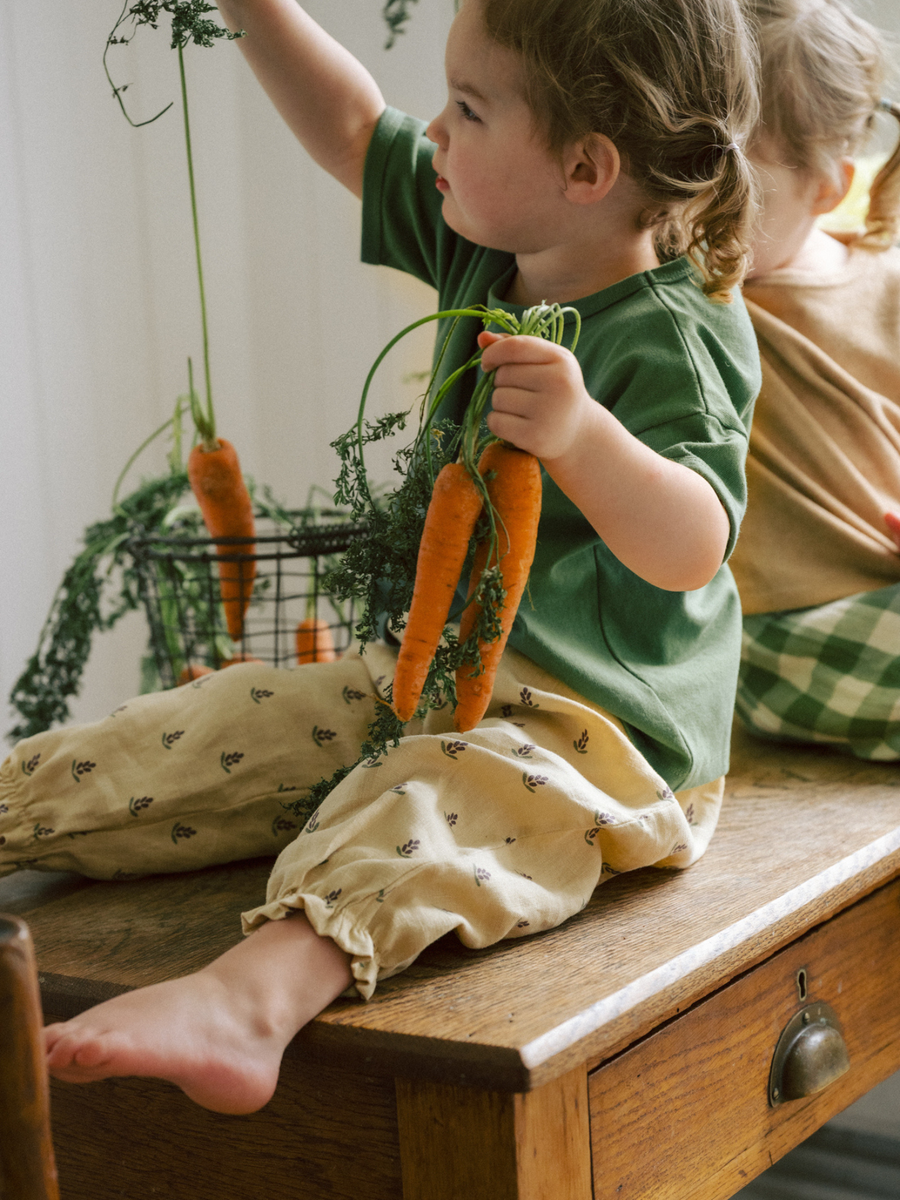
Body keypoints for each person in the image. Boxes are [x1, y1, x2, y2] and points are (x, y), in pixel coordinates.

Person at [0, 0, 761, 1114]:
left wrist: (586, 437)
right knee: (219, 722)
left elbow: (691, 546)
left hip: (603, 742)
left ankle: (251, 1002)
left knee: (422, 807)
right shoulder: (485, 236)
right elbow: (356, 126)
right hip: (435, 686)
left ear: (588, 167)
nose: (434, 135)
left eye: (466, 108)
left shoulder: (677, 333)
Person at [731, 0, 900, 760]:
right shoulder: (700, 297)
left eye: (732, 177)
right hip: (786, 629)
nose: (689, 201)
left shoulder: (886, 280)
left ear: (827, 187)